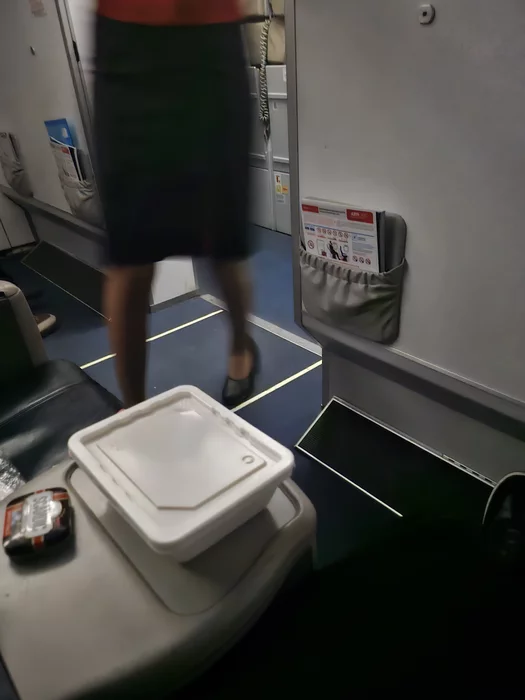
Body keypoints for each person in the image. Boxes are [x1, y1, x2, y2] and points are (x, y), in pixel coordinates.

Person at [94, 0, 257, 408]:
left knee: (223, 241)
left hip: (209, 39)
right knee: (129, 257)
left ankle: (240, 343)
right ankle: (133, 410)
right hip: (127, 43)